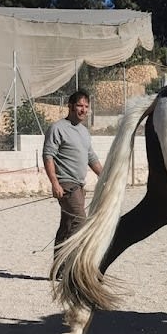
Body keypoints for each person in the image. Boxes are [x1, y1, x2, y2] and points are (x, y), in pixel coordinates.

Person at [43, 90, 103, 266]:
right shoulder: (58, 128)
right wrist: (55, 183)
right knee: (79, 221)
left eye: (86, 106)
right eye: (79, 106)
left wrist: (106, 177)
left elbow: (91, 157)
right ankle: (72, 266)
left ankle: (59, 268)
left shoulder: (84, 132)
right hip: (67, 185)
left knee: (67, 225)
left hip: (79, 185)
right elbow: (48, 156)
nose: (83, 110)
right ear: (69, 107)